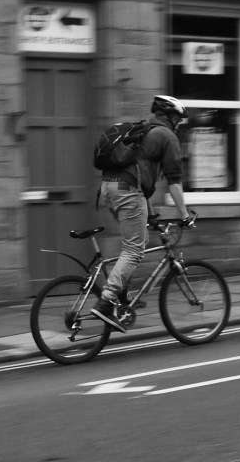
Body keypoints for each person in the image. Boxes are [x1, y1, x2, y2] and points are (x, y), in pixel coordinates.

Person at [91, 95, 193, 332]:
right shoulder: (167, 136)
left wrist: (151, 215)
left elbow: (140, 175)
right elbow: (174, 182)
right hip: (128, 190)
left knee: (137, 241)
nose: (179, 123)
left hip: (110, 188)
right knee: (135, 250)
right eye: (178, 118)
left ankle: (122, 296)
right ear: (172, 117)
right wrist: (185, 215)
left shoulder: (143, 132)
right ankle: (107, 300)